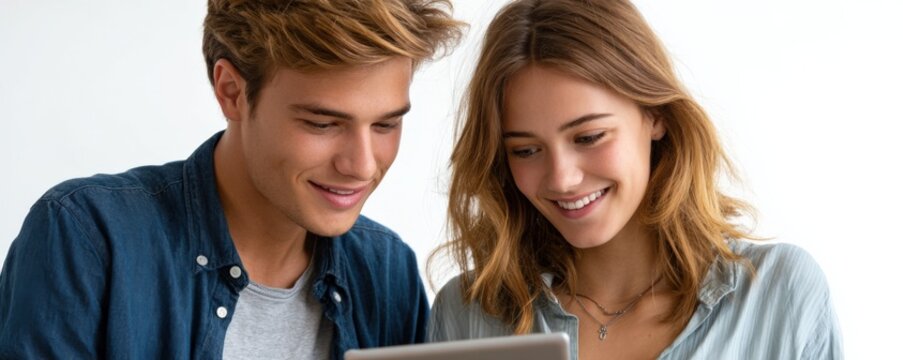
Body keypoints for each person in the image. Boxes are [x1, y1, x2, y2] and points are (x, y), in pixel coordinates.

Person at [0, 0, 461, 358]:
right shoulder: (87, 237)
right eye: (322, 124)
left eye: (385, 125)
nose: (361, 165)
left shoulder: (388, 271)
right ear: (231, 92)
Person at [428, 0, 841, 359]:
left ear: (655, 115)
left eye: (589, 137)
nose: (563, 178)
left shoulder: (779, 293)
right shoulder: (468, 315)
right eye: (526, 150)